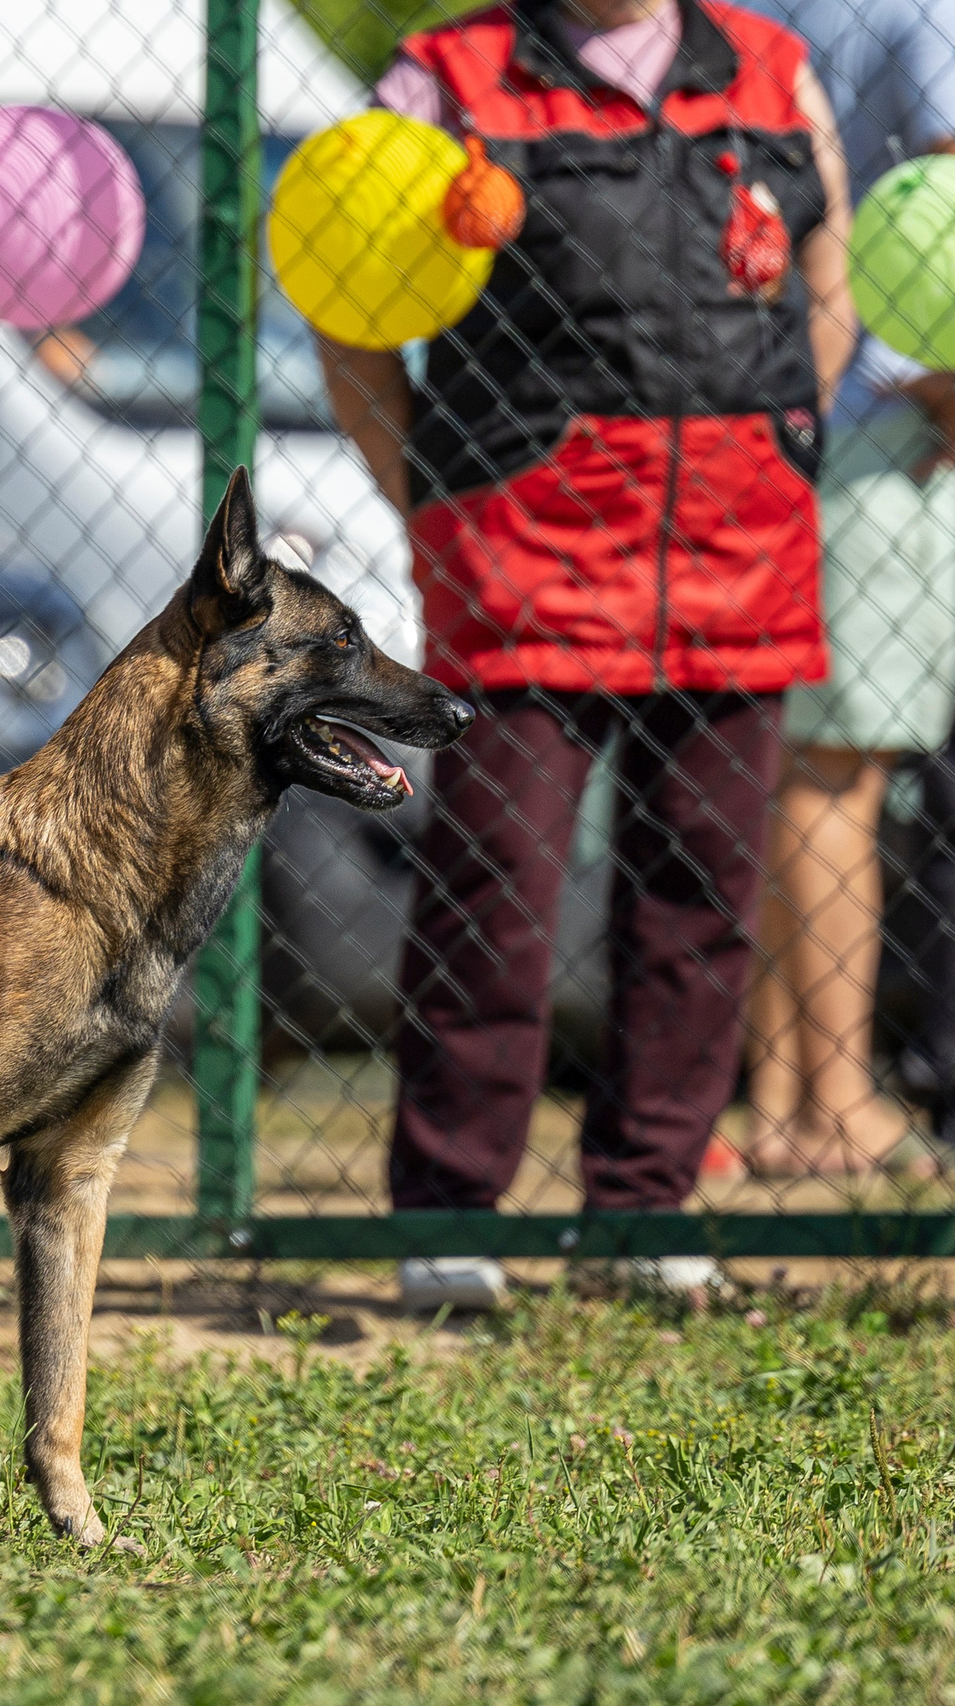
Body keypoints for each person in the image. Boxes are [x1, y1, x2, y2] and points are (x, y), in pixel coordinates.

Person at [317, 0, 857, 1310]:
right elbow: (348, 309)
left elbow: (826, 287)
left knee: (702, 904)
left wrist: (781, 445)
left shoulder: (776, 70)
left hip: (736, 568)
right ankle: (445, 1212)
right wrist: (426, 498)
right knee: (490, 898)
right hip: (524, 569)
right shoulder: (447, 78)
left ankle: (644, 1206)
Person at [736, 0, 955, 1178]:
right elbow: (949, 199)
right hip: (883, 421)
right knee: (839, 780)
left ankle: (780, 1105)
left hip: (780, 411)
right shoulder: (920, 11)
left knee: (789, 774)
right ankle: (836, 1105)